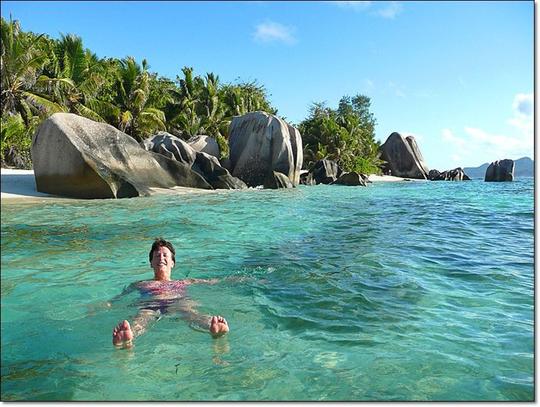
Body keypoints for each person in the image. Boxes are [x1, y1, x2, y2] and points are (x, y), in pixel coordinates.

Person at [111, 238, 229, 348]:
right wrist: (107, 304)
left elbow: (212, 282)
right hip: (150, 304)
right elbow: (118, 298)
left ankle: (212, 327)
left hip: (176, 302)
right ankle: (128, 337)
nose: (161, 258)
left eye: (165, 255)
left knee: (190, 313)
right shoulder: (140, 284)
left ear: (172, 263)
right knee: (142, 317)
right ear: (151, 263)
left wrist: (238, 280)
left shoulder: (184, 282)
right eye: (157, 256)